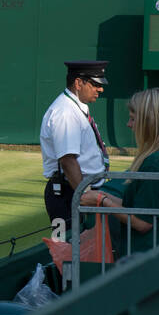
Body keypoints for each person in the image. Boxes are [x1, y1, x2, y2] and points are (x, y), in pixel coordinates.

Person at [81, 88, 159, 258]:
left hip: (146, 257)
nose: (129, 125)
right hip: (158, 252)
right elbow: (137, 205)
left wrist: (103, 200)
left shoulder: (156, 162)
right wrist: (100, 196)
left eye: (132, 119)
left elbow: (143, 222)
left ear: (149, 121)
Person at [40, 60, 110, 230]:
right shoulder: (65, 112)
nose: (100, 89)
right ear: (78, 83)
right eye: (94, 84)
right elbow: (68, 160)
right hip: (68, 194)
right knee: (63, 247)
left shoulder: (75, 107)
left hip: (75, 190)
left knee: (81, 249)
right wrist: (84, 195)